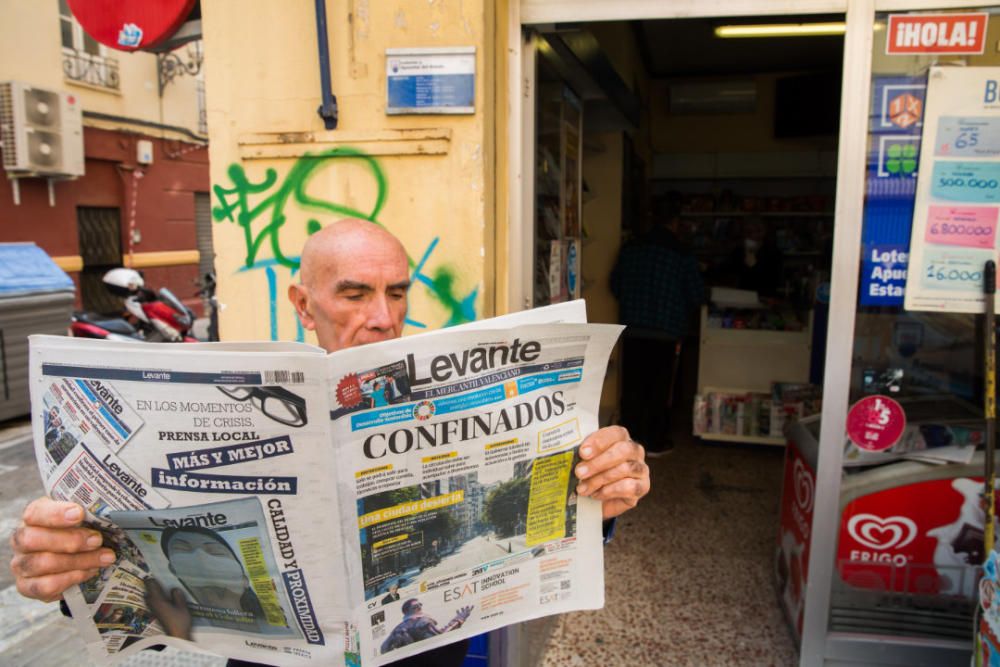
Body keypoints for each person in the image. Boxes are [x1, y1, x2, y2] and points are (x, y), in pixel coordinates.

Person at [9, 218, 651, 666]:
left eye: (396, 292)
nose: (383, 316)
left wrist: (597, 496)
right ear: (302, 302)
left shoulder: (444, 396)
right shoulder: (230, 400)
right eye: (355, 293)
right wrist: (69, 570)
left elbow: (522, 534)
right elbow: (160, 606)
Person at [611, 200, 704, 455]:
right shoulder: (682, 254)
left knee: (632, 386)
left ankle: (628, 442)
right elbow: (696, 295)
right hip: (666, 332)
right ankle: (653, 442)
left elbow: (615, 285)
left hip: (632, 329)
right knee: (660, 388)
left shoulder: (631, 249)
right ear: (674, 222)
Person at [380, 598, 472, 654]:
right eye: (416, 606)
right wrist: (459, 619)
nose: (420, 607)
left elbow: (384, 649)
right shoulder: (422, 621)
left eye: (420, 604)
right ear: (408, 611)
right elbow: (441, 637)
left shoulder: (398, 628)